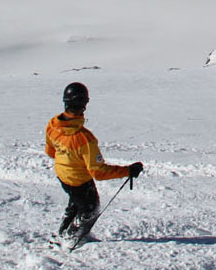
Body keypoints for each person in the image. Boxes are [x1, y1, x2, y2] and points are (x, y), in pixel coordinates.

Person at [45, 82, 143, 239]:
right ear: (84, 104)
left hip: (63, 176)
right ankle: (72, 238)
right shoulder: (84, 139)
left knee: (76, 203)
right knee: (90, 209)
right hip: (79, 181)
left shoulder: (53, 125)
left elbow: (50, 151)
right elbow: (99, 172)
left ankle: (63, 231)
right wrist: (128, 171)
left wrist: (68, 159)